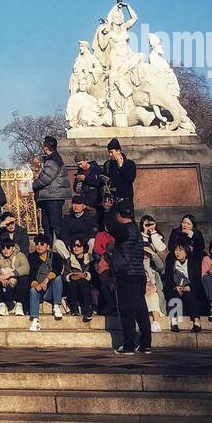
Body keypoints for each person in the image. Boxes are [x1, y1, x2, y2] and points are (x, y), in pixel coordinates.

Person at [107, 202, 152, 354]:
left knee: (128, 312)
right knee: (141, 310)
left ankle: (128, 346)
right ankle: (146, 344)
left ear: (119, 215)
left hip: (127, 275)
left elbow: (110, 228)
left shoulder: (124, 230)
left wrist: (108, 209)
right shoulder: (136, 230)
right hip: (139, 274)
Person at [32, 136, 72, 243]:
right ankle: (51, 245)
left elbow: (45, 179)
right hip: (51, 196)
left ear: (46, 148)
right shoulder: (53, 159)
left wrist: (34, 184)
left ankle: (61, 246)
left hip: (53, 196)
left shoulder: (53, 161)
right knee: (47, 224)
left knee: (55, 224)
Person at [164, 239, 204, 333]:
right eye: (176, 250)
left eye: (180, 250)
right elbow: (168, 279)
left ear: (186, 252)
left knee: (190, 295)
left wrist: (190, 287)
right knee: (174, 295)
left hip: (189, 287)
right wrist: (175, 286)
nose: (177, 253)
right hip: (175, 287)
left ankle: (196, 322)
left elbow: (197, 280)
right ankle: (174, 323)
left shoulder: (193, 263)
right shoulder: (171, 263)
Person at [0, 233, 30, 315]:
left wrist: (10, 274)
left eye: (8, 247)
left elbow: (26, 268)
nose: (5, 250)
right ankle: (1, 305)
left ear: (13, 248)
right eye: (3, 248)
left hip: (17, 288)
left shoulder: (20, 256)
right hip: (4, 287)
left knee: (24, 278)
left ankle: (19, 305)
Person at [26, 235, 65, 333]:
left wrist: (46, 280)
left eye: (42, 244)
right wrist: (35, 284)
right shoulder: (31, 257)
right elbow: (30, 274)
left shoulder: (54, 256)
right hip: (38, 289)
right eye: (37, 244)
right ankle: (35, 320)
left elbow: (58, 269)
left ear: (48, 246)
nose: (39, 246)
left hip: (50, 289)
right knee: (32, 290)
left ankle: (56, 306)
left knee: (58, 278)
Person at [63, 237, 95, 322]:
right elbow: (65, 274)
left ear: (84, 247)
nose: (75, 248)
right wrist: (70, 276)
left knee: (82, 281)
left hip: (87, 287)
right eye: (74, 246)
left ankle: (88, 308)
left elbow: (94, 274)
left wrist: (84, 275)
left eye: (78, 245)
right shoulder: (69, 260)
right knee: (73, 282)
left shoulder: (90, 258)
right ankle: (74, 308)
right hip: (73, 287)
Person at [93, 221, 117, 315]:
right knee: (104, 285)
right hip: (104, 264)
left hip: (117, 266)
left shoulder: (119, 235)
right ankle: (111, 307)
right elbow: (96, 249)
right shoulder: (100, 235)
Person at [72, 152, 103, 224]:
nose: (80, 166)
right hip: (85, 201)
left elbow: (99, 183)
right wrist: (77, 181)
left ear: (86, 161)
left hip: (96, 201)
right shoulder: (79, 172)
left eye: (81, 163)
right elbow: (77, 190)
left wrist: (85, 179)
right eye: (78, 164)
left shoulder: (96, 169)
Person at [104, 139, 136, 204]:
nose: (110, 154)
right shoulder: (108, 164)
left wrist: (121, 167)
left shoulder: (129, 163)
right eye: (109, 152)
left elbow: (130, 179)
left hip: (125, 199)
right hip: (111, 199)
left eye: (111, 152)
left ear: (118, 151)